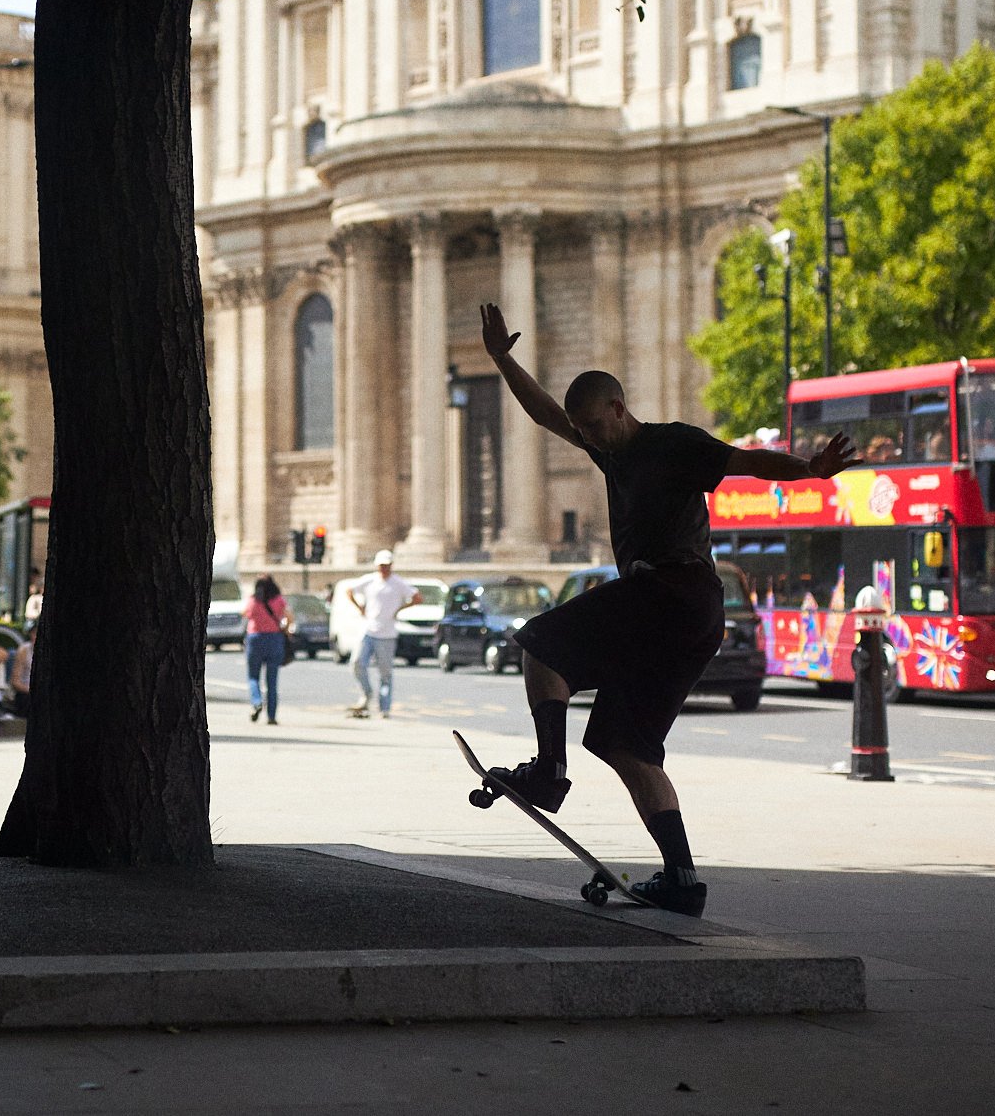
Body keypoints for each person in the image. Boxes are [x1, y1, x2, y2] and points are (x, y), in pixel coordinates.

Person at [477, 302, 859, 916]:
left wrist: (809, 470)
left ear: (620, 409)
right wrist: (503, 360)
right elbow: (547, 414)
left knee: (539, 643)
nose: (588, 438)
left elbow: (745, 461)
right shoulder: (604, 445)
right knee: (626, 744)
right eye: (584, 430)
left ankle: (549, 771)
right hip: (687, 619)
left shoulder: (672, 443)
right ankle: (682, 878)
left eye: (595, 426)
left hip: (674, 595)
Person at [347, 551, 418, 719]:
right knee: (357, 662)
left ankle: (384, 707)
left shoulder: (398, 583)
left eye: (386, 566)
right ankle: (367, 693)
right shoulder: (370, 580)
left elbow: (417, 597)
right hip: (369, 630)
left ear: (391, 566)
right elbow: (350, 591)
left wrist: (400, 609)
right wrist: (360, 608)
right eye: (381, 566)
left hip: (387, 634)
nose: (384, 569)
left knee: (385, 673)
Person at [242, 574, 293, 725]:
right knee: (272, 681)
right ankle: (271, 716)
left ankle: (256, 702)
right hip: (274, 640)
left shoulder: (253, 600)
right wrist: (285, 629)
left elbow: (245, 613)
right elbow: (290, 617)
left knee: (253, 677)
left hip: (255, 639)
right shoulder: (279, 600)